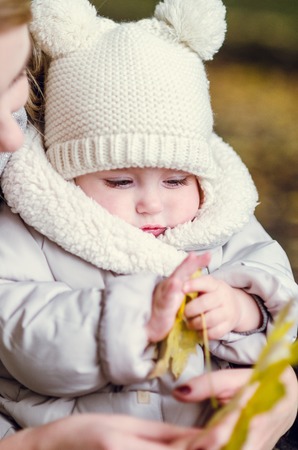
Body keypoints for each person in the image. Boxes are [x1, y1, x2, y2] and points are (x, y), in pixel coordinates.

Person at [0, 0, 297, 449]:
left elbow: (278, 291)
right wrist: (136, 319)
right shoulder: (30, 230)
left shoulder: (217, 220)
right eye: (120, 180)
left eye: (176, 179)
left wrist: (243, 309)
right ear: (66, 178)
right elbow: (25, 336)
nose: (153, 204)